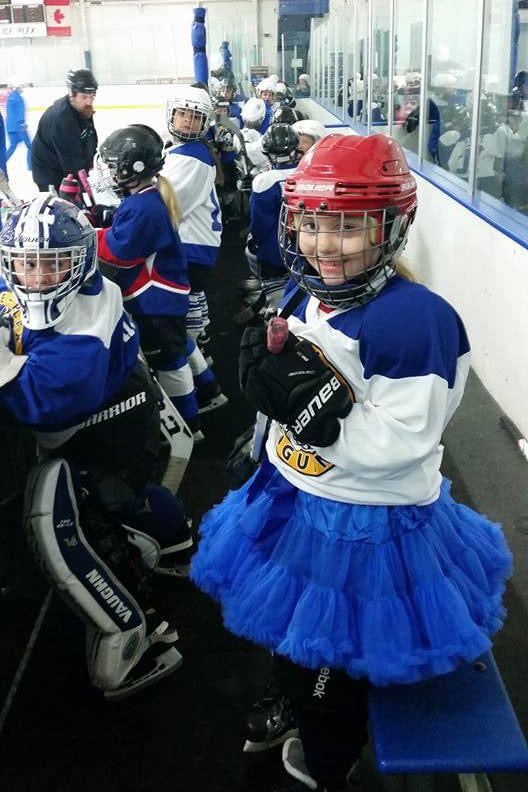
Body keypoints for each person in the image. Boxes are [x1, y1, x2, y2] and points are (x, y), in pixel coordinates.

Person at [190, 134, 513, 791]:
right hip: (296, 500)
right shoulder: (303, 294)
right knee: (290, 626)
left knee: (331, 665)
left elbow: (400, 444)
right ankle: (295, 688)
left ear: (389, 227)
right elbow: (283, 393)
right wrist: (264, 434)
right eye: (311, 224)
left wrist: (317, 416)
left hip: (366, 528)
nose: (323, 245)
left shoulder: (416, 322)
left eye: (347, 228)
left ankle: (330, 752)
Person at [0, 193, 189, 698]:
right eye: (24, 264)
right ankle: (174, 541)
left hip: (105, 436)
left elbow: (38, 402)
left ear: (79, 261)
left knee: (81, 524)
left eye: (51, 265)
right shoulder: (83, 289)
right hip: (125, 409)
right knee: (130, 506)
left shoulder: (84, 322)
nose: (35, 277)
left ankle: (138, 628)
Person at [95, 123, 205, 441]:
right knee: (180, 346)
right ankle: (209, 391)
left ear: (134, 168)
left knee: (169, 362)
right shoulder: (146, 198)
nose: (110, 173)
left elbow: (119, 253)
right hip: (167, 297)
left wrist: (89, 237)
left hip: (156, 300)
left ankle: (190, 426)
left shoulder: (143, 207)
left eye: (114, 166)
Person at [162, 84, 228, 414]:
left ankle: (200, 391)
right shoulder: (186, 153)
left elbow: (164, 209)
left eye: (195, 117)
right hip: (194, 248)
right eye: (183, 114)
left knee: (175, 328)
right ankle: (206, 377)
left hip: (191, 250)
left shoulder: (192, 159)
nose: (187, 121)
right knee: (183, 323)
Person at [235, 123, 299, 323]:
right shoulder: (306, 174)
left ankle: (272, 315)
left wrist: (256, 241)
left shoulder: (264, 181)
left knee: (272, 286)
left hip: (274, 250)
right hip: (303, 247)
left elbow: (260, 224)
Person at [31, 68, 98, 192]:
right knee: (63, 208)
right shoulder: (61, 120)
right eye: (84, 97)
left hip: (65, 167)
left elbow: (89, 137)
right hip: (50, 174)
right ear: (72, 95)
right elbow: (71, 163)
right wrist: (84, 188)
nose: (89, 101)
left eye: (92, 97)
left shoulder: (82, 109)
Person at [6, 81, 31, 170]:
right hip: (19, 126)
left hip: (10, 126)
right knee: (30, 146)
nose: (22, 88)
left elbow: (11, 113)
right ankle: (31, 166)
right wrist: (21, 123)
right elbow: (20, 112)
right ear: (17, 88)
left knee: (13, 146)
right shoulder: (18, 98)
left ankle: (2, 163)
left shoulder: (10, 97)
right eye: (21, 87)